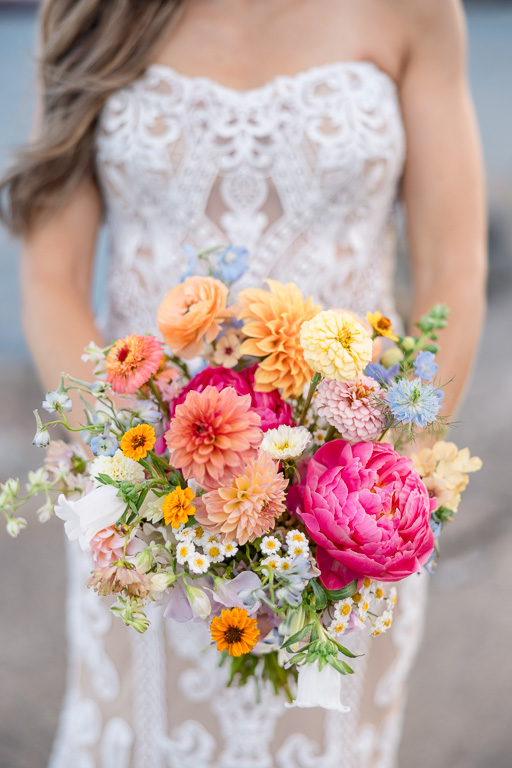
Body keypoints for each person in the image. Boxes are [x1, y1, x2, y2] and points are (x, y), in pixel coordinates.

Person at [0, 1, 486, 766]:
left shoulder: (417, 12)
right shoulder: (90, 11)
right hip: (148, 511)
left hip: (344, 525)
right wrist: (144, 490)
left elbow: (452, 270)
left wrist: (391, 484)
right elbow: (49, 278)